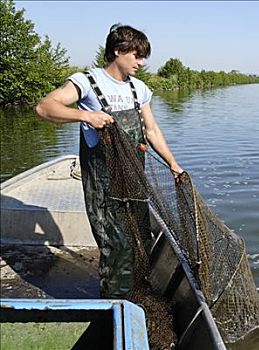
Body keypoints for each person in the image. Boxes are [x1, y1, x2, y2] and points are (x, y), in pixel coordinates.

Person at [36, 24, 183, 299]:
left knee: (141, 240)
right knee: (116, 246)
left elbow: (151, 131)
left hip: (133, 181)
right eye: (136, 55)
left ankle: (138, 297)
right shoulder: (87, 82)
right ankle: (115, 303)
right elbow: (45, 107)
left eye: (142, 57)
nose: (140, 62)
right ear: (118, 50)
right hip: (102, 185)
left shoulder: (140, 89)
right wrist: (86, 116)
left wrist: (174, 164)